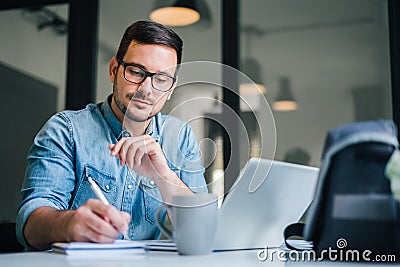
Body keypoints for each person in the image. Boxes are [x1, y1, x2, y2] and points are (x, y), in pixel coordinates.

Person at [16, 20, 207, 250]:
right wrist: (69, 224)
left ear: (170, 90)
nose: (146, 89)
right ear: (114, 70)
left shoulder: (180, 136)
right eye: (136, 72)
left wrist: (163, 176)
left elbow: (203, 231)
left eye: (161, 80)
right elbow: (30, 223)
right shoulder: (65, 130)